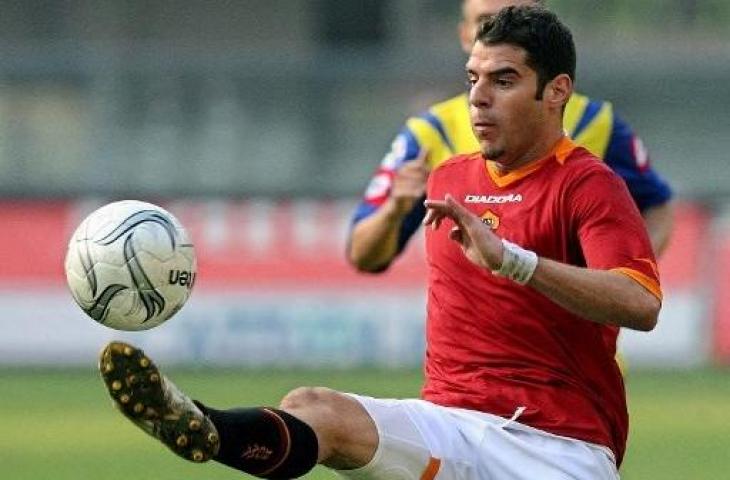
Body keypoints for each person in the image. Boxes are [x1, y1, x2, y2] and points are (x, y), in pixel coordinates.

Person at [99, 7, 660, 479]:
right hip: (449, 422)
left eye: (503, 80)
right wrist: (397, 206)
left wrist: (513, 262)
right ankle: (201, 426)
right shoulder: (448, 178)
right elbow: (366, 252)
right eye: (472, 79)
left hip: (555, 446)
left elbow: (640, 303)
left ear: (556, 91)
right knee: (313, 408)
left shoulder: (588, 183)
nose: (478, 98)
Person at [347, 0, 673, 273]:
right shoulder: (431, 132)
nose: (501, 33)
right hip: (474, 347)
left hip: (574, 348)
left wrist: (608, 283)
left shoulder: (596, 123)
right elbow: (363, 256)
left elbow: (656, 209)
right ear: (465, 36)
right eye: (486, 22)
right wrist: (394, 209)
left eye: (517, 19)